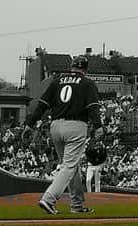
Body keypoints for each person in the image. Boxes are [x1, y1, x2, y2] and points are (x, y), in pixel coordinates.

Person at [24, 55, 104, 215]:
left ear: (72, 67)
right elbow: (93, 107)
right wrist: (98, 126)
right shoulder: (87, 83)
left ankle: (77, 204)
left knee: (70, 166)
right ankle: (48, 199)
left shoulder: (57, 81)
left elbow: (42, 105)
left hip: (55, 127)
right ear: (85, 69)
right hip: (76, 126)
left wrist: (30, 123)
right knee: (69, 166)